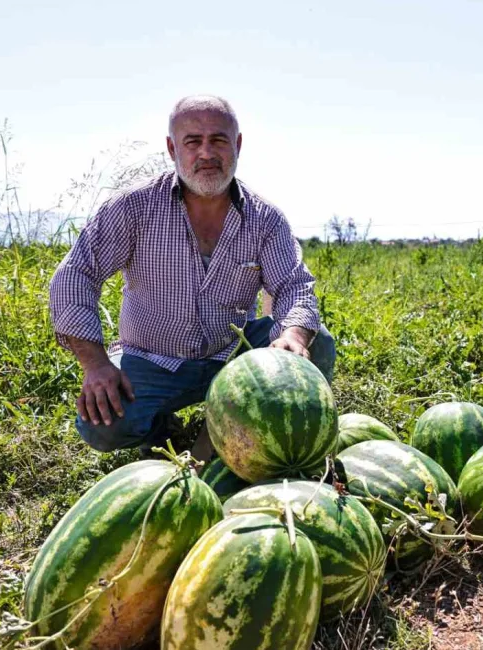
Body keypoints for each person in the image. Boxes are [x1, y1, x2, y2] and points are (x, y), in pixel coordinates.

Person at [48, 95, 334, 459]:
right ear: (171, 148)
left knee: (316, 341)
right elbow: (76, 275)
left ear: (238, 145)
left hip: (234, 357)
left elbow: (294, 286)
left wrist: (292, 335)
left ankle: (245, 437)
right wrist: (96, 364)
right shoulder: (133, 207)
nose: (206, 153)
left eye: (218, 140)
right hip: (152, 361)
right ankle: (161, 427)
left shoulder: (265, 220)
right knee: (102, 426)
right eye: (192, 142)